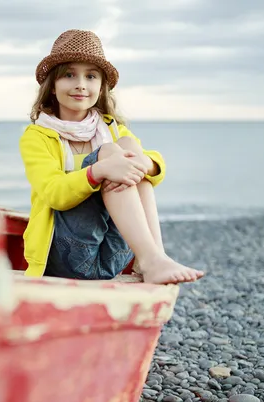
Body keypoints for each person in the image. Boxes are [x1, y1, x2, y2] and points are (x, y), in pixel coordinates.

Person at [19, 29, 204, 284]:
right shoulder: (38, 136)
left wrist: (144, 163)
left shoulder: (112, 129)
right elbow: (54, 193)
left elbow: (152, 172)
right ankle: (153, 259)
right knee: (110, 152)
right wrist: (100, 171)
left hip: (114, 255)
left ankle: (151, 258)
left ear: (101, 86)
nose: (81, 84)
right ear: (52, 86)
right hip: (65, 256)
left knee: (127, 145)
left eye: (91, 76)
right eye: (69, 75)